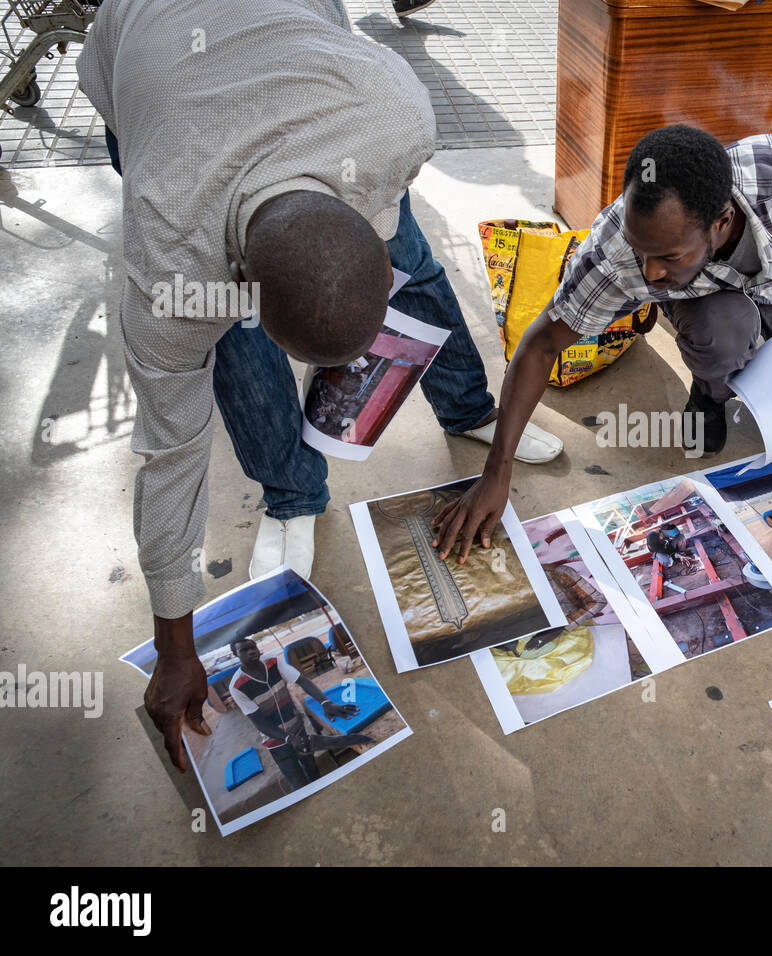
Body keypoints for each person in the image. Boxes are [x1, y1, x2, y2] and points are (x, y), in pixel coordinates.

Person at [77, 0, 563, 771]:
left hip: (314, 64)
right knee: (232, 349)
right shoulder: (170, 264)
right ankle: (292, 492)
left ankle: (469, 406)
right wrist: (175, 645)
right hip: (145, 55)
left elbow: (384, 250)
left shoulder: (395, 114)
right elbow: (170, 459)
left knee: (418, 269)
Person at [433, 125, 772, 561]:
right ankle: (711, 393)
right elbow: (540, 345)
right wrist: (496, 471)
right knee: (722, 329)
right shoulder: (616, 253)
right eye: (642, 252)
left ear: (721, 221)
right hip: (714, 313)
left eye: (668, 255)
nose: (649, 273)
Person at [227, 637, 365, 791]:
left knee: (313, 770)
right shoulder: (237, 686)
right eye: (243, 650)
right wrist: (287, 738)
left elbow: (302, 681)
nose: (251, 651)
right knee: (298, 784)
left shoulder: (272, 662)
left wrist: (326, 703)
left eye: (252, 647)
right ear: (235, 655)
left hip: (298, 729)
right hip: (276, 742)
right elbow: (259, 723)